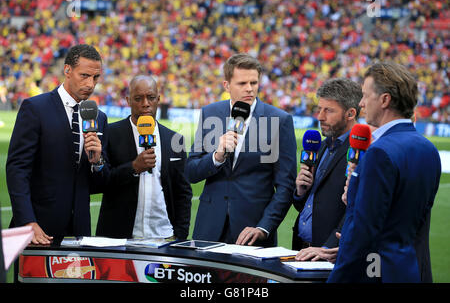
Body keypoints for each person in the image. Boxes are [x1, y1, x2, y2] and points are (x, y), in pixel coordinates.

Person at [328, 62, 441, 283]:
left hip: (376, 273)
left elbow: (363, 232)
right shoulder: (428, 149)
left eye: (364, 96)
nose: (361, 103)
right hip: (408, 269)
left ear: (384, 100)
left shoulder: (379, 151)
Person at [185, 53, 297, 247]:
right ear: (226, 85)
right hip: (209, 228)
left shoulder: (280, 120)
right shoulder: (210, 113)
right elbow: (191, 171)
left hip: (253, 232)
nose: (249, 89)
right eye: (242, 83)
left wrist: (264, 227)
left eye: (254, 83)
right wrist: (217, 156)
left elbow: (286, 185)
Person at [6, 44, 107, 244]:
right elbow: (17, 169)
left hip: (79, 232)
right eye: (84, 75)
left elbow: (98, 184)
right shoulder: (35, 108)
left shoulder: (99, 118)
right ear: (67, 70)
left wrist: (98, 162)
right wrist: (27, 221)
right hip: (37, 229)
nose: (90, 83)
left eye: (95, 78)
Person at [96, 75, 192, 240]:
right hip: (119, 238)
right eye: (138, 98)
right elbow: (100, 182)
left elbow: (182, 192)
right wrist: (133, 168)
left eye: (151, 97)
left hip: (164, 235)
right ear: (128, 100)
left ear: (159, 99)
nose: (145, 103)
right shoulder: (111, 134)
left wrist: (180, 234)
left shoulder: (175, 140)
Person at [292, 78, 362, 262]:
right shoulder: (321, 146)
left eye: (328, 110)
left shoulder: (361, 153)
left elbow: (357, 209)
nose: (320, 117)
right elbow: (308, 204)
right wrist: (300, 191)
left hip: (330, 256)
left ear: (350, 113)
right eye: (319, 109)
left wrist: (327, 247)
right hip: (303, 250)